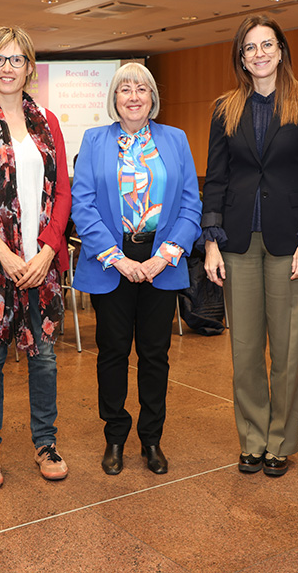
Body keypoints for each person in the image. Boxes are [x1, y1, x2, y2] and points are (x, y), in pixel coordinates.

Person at [202, 16, 298, 478]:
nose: (259, 54)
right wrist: (212, 242)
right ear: (241, 58)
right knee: (245, 350)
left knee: (288, 348)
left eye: (267, 45)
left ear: (281, 51)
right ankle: (253, 439)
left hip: (290, 240)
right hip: (237, 241)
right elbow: (215, 178)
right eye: (249, 48)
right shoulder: (225, 108)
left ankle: (281, 441)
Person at [0, 26, 72, 490]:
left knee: (44, 354)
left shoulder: (48, 120)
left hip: (41, 259)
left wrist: (45, 249)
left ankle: (46, 442)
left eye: (16, 59)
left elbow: (63, 191)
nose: (7, 67)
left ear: (29, 68)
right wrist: (1, 249)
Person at [72, 62, 201, 476]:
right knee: (112, 354)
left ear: (152, 98)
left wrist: (164, 256)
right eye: (124, 88)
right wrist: (118, 258)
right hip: (113, 264)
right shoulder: (94, 140)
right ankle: (114, 437)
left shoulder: (175, 139)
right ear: (114, 98)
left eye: (141, 89)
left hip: (163, 261)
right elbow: (83, 206)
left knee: (155, 355)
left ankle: (151, 439)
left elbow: (190, 205)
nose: (133, 95)